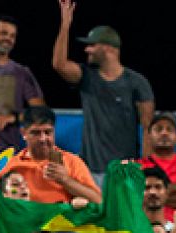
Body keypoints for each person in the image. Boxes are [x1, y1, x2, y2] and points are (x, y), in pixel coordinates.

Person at [51, 2, 153, 174]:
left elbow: (147, 128)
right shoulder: (87, 77)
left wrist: (143, 170)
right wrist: (65, 25)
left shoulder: (137, 82)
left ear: (108, 48)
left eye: (92, 45)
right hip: (90, 169)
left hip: (124, 171)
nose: (87, 49)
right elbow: (59, 64)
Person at [0, 105, 99, 204]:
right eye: (35, 133)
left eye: (48, 132)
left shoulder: (72, 162)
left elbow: (98, 200)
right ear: (23, 133)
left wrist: (65, 180)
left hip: (62, 219)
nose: (43, 139)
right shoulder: (12, 165)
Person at [0, 14, 46, 158]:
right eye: (3, 33)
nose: (8, 38)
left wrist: (10, 118)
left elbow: (39, 111)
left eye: (12, 36)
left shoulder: (22, 73)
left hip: (6, 155)